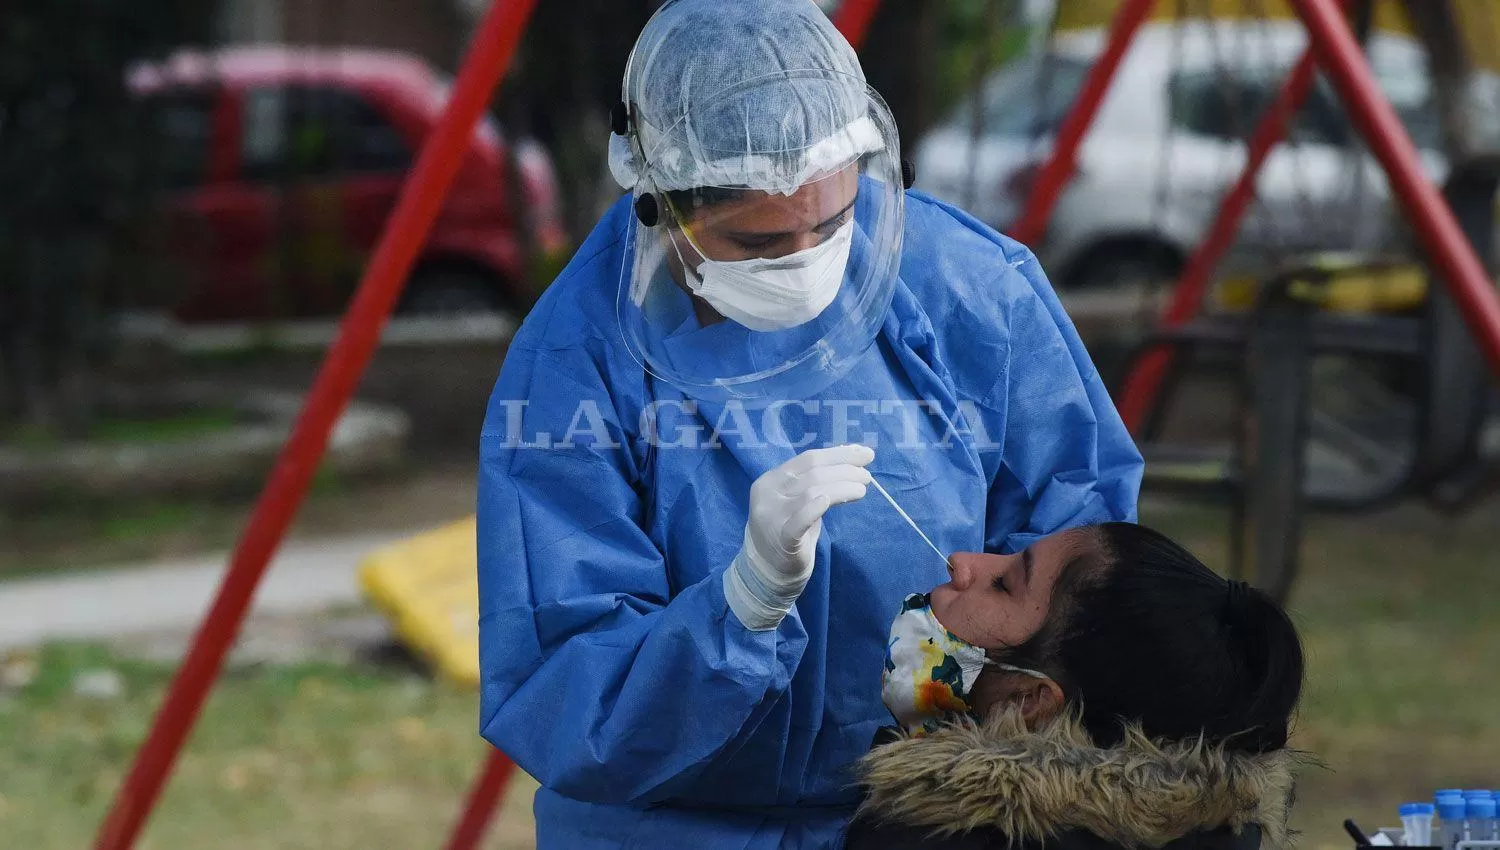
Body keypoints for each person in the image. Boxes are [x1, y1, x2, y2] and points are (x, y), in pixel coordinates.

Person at [476, 0, 1143, 846]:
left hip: (928, 815)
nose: (803, 260)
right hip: (668, 824)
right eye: (756, 244)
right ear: (660, 205)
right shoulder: (576, 364)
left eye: (832, 222)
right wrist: (740, 607)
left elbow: (1073, 562)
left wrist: (936, 696)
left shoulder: (970, 290)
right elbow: (573, 697)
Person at [844, 523, 1306, 849]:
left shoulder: (935, 833)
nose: (963, 563)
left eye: (1004, 584)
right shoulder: (1217, 832)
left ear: (1030, 698)